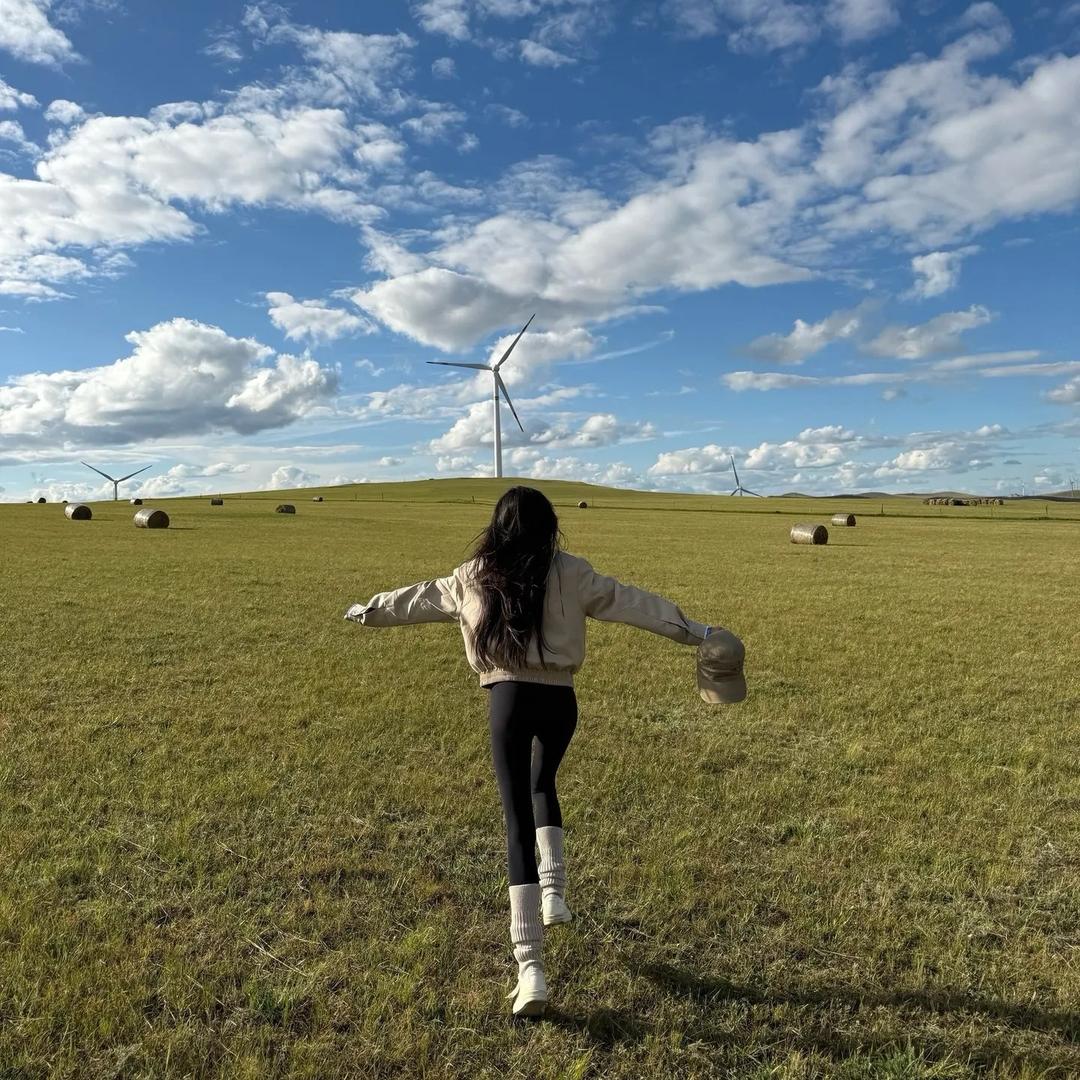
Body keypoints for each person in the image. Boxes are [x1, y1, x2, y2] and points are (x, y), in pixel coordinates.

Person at [344, 485, 716, 1018]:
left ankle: (531, 969)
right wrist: (697, 632)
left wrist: (366, 610)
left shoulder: (473, 574)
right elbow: (635, 604)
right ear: (550, 525)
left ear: (498, 526)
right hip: (561, 700)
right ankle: (554, 895)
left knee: (516, 816)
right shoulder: (574, 571)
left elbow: (415, 600)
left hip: (509, 700)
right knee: (546, 784)